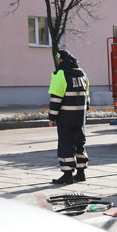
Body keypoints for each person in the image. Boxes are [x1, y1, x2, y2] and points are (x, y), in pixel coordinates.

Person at [48, 49, 90, 184]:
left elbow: (56, 99)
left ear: (61, 60)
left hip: (66, 118)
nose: (57, 62)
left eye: (58, 60)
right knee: (80, 144)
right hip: (80, 118)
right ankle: (81, 173)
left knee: (66, 145)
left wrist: (52, 118)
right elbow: (87, 98)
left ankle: (67, 175)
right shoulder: (82, 74)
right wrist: (84, 114)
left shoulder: (61, 75)